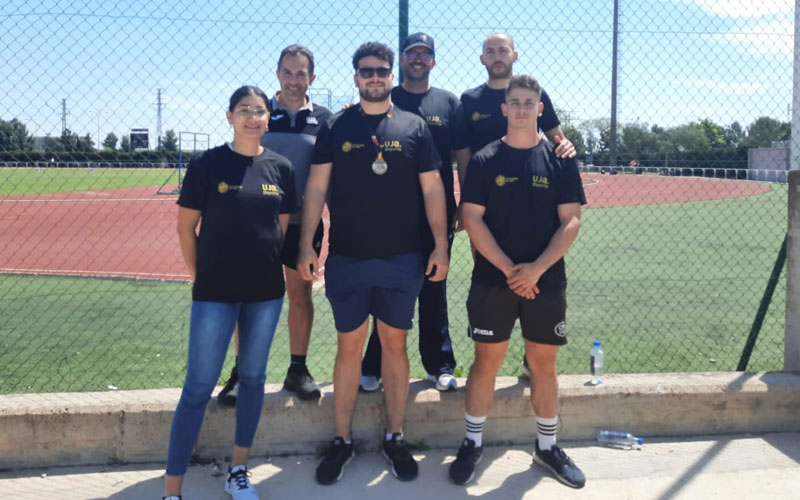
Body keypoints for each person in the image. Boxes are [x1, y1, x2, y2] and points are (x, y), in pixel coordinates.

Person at [297, 41, 449, 485]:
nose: (375, 77)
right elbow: (317, 189)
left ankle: (395, 436)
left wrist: (440, 246)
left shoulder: (414, 126)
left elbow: (434, 191)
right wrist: (307, 244)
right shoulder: (336, 126)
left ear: (391, 74)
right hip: (347, 258)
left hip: (403, 258)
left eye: (382, 70)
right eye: (367, 71)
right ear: (355, 76)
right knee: (349, 349)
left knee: (395, 346)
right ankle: (341, 440)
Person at [448, 75, 586, 489]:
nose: (523, 108)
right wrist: (512, 270)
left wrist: (536, 270)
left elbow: (572, 220)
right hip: (494, 280)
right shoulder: (486, 160)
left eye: (530, 101)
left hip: (545, 282)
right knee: (485, 363)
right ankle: (472, 443)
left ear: (540, 109)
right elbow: (471, 219)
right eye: (516, 102)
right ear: (504, 109)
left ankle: (547, 448)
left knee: (543, 365)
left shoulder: (561, 159)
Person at [163, 85, 296, 500]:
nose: (253, 117)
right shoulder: (207, 165)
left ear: (268, 117)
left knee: (253, 380)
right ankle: (172, 490)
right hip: (214, 294)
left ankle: (238, 470)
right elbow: (186, 229)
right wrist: (201, 277)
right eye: (245, 110)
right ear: (229, 116)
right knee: (198, 389)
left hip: (265, 294)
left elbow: (281, 228)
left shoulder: (281, 168)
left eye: (260, 111)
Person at [453, 32, 576, 377]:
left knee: (536, 274)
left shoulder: (533, 93)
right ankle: (489, 347)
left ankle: (529, 358)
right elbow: (463, 154)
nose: (496, 56)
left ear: (514, 55)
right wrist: (466, 204)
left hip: (532, 204)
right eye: (490, 51)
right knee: (491, 278)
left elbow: (555, 137)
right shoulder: (470, 99)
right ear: (481, 59)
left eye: (502, 50)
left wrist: (566, 147)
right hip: (485, 207)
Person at [216, 45, 332, 405]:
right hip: (257, 221)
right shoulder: (262, 114)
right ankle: (241, 373)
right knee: (248, 297)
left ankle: (298, 370)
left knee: (299, 295)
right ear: (278, 74)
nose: (294, 79)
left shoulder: (326, 119)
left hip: (304, 223)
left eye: (301, 73)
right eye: (288, 72)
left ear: (312, 77)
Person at [359, 32, 460, 393]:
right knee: (385, 288)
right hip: (393, 214)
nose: (418, 58)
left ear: (433, 60)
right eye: (411, 53)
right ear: (401, 60)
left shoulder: (449, 102)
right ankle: (375, 365)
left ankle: (440, 364)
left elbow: (461, 155)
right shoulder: (388, 97)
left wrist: (460, 204)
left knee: (435, 288)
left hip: (437, 212)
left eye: (425, 53)